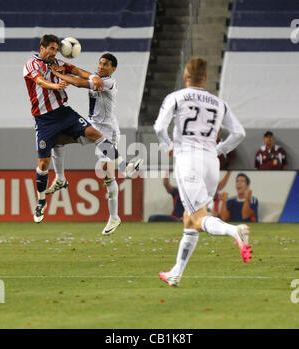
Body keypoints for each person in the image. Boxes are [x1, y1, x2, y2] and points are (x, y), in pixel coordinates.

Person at [154, 57, 252, 287]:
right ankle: (176, 272)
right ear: (206, 78)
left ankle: (234, 231)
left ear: (185, 77)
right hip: (211, 163)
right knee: (190, 219)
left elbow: (159, 127)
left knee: (198, 218)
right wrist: (219, 149)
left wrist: (168, 145)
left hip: (188, 160)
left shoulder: (176, 97)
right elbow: (239, 133)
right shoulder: (219, 103)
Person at [23, 34, 135, 224]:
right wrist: (57, 84)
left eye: (56, 49)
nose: (54, 52)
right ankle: (42, 200)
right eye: (51, 48)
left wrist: (91, 76)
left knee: (97, 142)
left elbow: (76, 71)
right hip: (44, 120)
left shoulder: (58, 64)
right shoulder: (31, 65)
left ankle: (125, 168)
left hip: (66, 114)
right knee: (44, 161)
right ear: (42, 48)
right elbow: (41, 82)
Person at [44, 53, 142, 235]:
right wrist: (64, 69)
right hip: (91, 127)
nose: (101, 66)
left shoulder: (109, 82)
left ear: (113, 69)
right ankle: (61, 178)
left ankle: (114, 216)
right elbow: (82, 75)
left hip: (107, 130)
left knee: (106, 173)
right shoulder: (96, 78)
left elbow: (79, 83)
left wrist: (59, 75)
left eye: (106, 64)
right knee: (56, 141)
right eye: (100, 63)